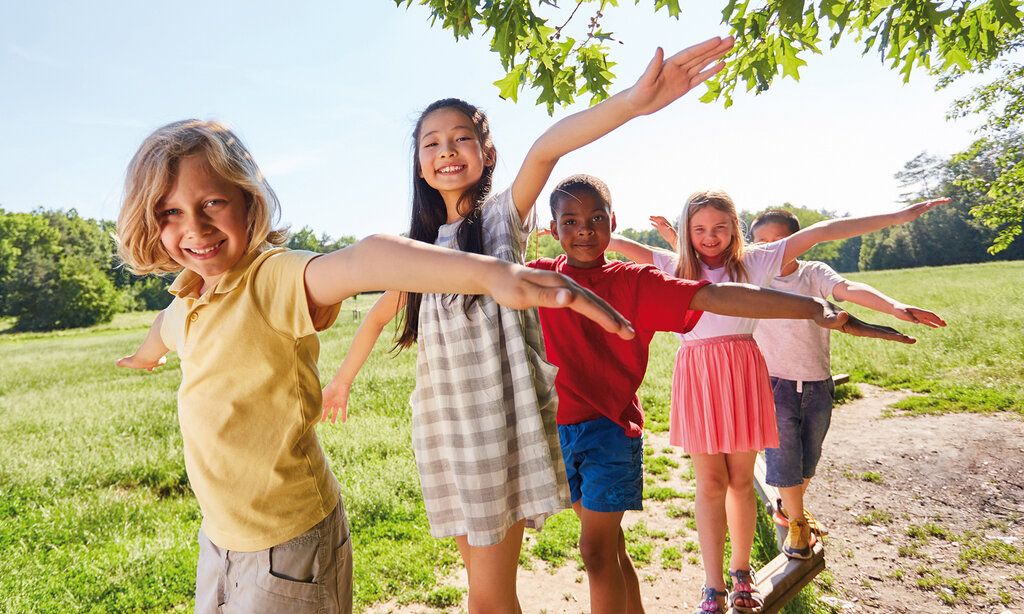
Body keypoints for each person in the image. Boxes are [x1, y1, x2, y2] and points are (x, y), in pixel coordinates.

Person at [115, 119, 634, 614]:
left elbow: (366, 260)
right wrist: (147, 354)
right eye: (170, 212)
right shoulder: (187, 299)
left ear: (248, 202)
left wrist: (493, 274)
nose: (194, 226)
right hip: (219, 540)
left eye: (211, 202)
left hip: (286, 545)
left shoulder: (270, 278)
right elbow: (165, 326)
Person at [320, 36, 737, 614]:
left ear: (486, 152)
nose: (447, 151)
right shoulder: (419, 247)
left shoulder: (499, 221)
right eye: (431, 143)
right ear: (418, 162)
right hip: (443, 426)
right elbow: (382, 311)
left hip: (497, 424)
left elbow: (547, 149)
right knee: (481, 590)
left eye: (461, 138)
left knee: (489, 597)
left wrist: (632, 103)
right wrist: (341, 380)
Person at [528, 175, 914, 614]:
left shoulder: (695, 272)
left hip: (684, 397)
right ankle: (711, 583)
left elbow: (738, 285)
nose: (584, 229)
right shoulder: (574, 273)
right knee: (662, 514)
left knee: (726, 488)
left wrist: (818, 303)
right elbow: (598, 247)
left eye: (596, 219)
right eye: (570, 222)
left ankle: (739, 571)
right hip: (642, 396)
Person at [612, 189, 949, 614]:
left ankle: (741, 572)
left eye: (719, 227)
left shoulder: (754, 261)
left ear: (735, 228)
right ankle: (712, 584)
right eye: (699, 229)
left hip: (744, 369)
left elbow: (822, 231)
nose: (710, 237)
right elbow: (615, 242)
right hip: (698, 374)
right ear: (686, 230)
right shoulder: (673, 264)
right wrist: (563, 230)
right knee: (710, 484)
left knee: (740, 482)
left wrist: (899, 218)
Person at [748, 209, 945, 559]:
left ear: (798, 243)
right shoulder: (752, 278)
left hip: (818, 383)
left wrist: (894, 306)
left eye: (779, 241)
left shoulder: (813, 273)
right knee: (784, 456)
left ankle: (787, 507)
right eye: (761, 243)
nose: (771, 250)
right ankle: (796, 525)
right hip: (772, 384)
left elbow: (848, 289)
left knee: (809, 459)